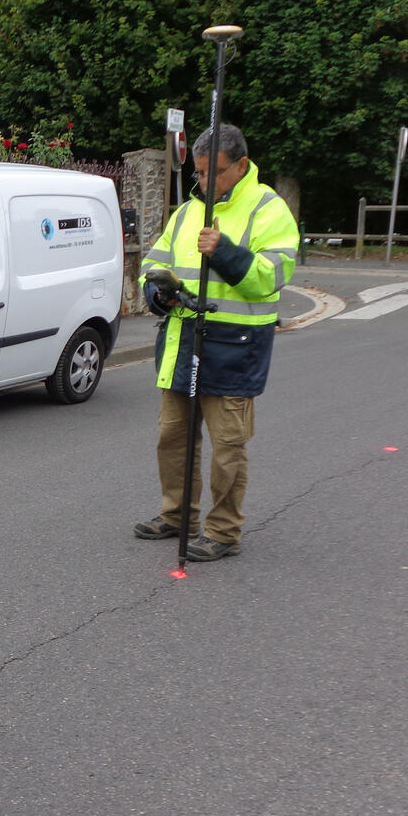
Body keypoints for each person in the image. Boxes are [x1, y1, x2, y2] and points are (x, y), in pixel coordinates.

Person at [134, 123, 297, 561]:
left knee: (228, 448)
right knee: (173, 439)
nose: (205, 181)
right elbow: (153, 263)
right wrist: (159, 293)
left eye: (215, 172)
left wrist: (223, 250)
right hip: (183, 341)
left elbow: (271, 277)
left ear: (241, 165)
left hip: (235, 348)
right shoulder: (187, 212)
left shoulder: (268, 208)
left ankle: (223, 531)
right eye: (200, 172)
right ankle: (177, 516)